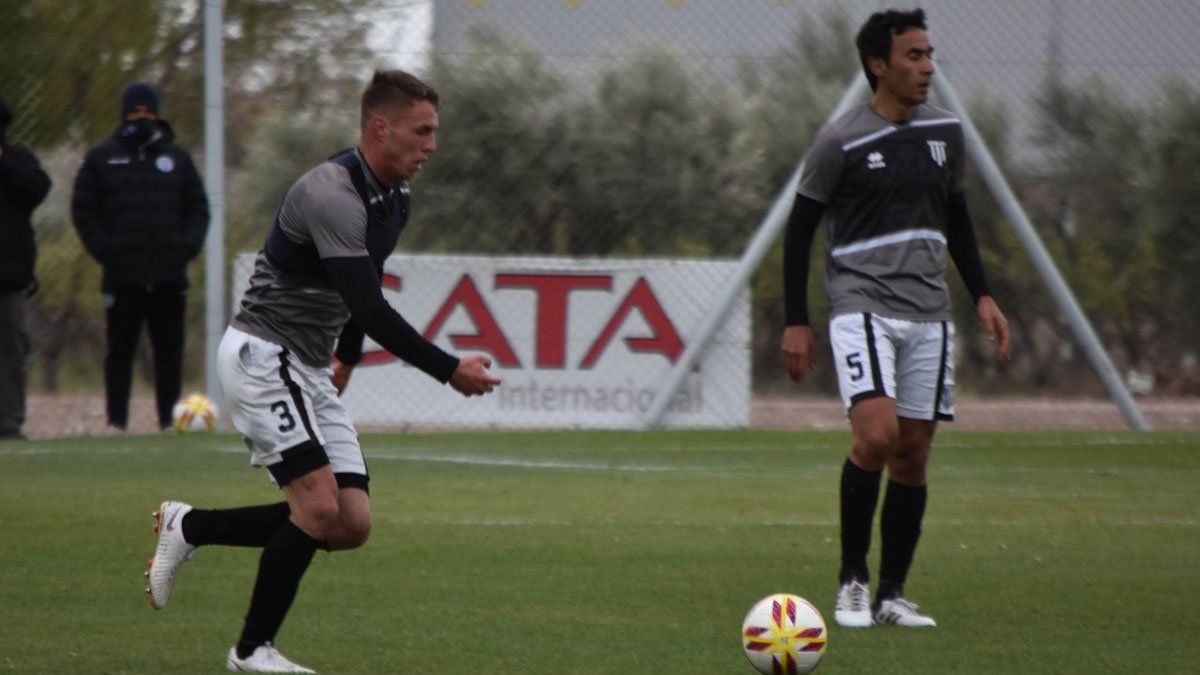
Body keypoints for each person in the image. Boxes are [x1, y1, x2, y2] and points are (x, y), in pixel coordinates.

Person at [144, 70, 502, 673]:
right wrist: (448, 369)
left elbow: (363, 284)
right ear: (380, 127)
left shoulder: (395, 198)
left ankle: (190, 526)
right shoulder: (330, 193)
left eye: (434, 132)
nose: (431, 145)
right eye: (422, 131)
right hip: (262, 355)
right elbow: (367, 305)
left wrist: (344, 358)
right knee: (315, 508)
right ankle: (252, 651)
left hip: (305, 364)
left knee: (350, 523)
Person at [780, 8, 1010, 629]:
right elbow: (799, 231)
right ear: (878, 65)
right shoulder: (840, 140)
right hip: (861, 305)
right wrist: (796, 319)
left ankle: (892, 595)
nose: (928, 67)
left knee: (912, 456)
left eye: (930, 54)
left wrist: (982, 293)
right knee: (876, 437)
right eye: (914, 56)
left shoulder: (947, 133)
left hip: (930, 313)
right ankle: (852, 581)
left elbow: (957, 217)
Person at [71, 82, 210, 433]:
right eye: (134, 113)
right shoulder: (102, 158)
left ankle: (168, 421)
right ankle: (116, 422)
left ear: (158, 114)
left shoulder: (177, 159)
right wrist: (108, 251)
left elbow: (199, 210)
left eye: (148, 112)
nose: (141, 119)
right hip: (122, 275)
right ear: (123, 116)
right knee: (120, 351)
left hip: (168, 275)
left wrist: (185, 248)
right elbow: (84, 210)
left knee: (168, 352)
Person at [0, 95, 52, 441]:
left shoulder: (18, 161)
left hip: (8, 276)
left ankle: (8, 421)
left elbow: (38, 188)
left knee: (10, 349)